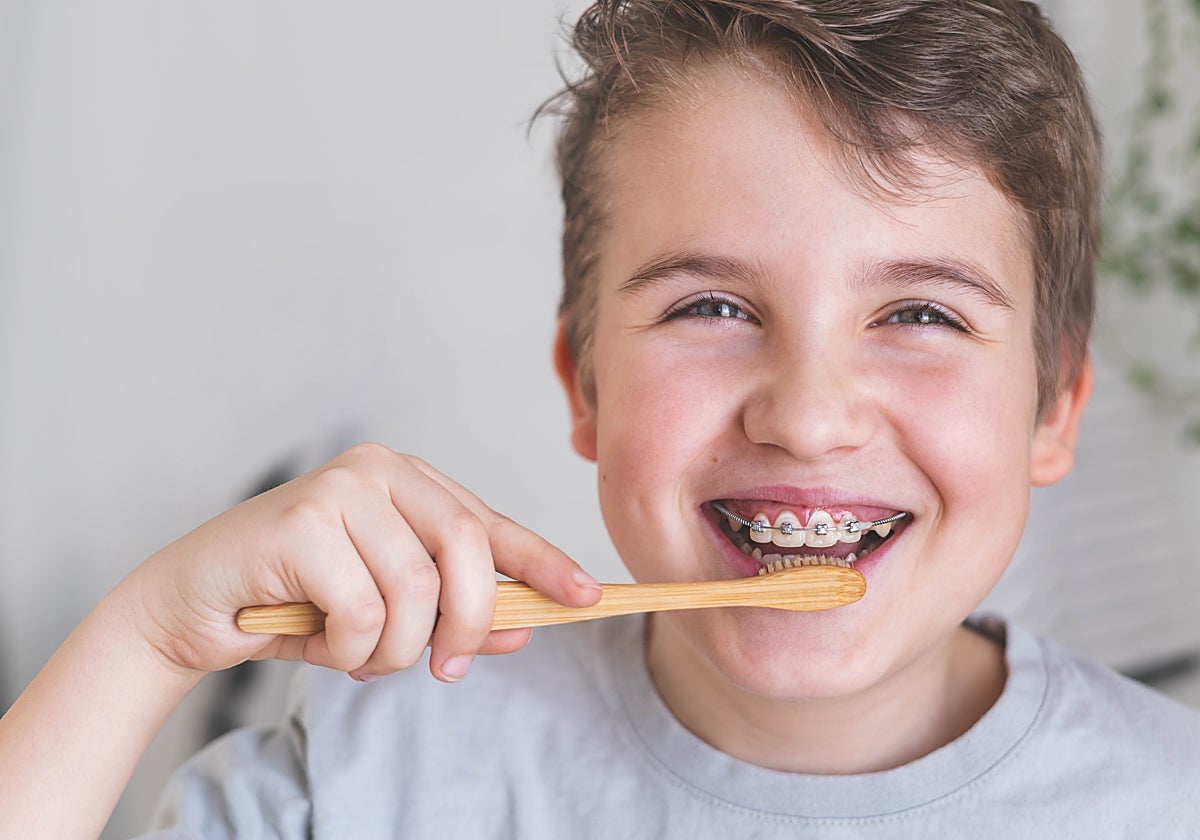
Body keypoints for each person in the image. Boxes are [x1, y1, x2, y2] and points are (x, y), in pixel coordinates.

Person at [3, 1, 1199, 836]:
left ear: (1054, 405)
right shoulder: (383, 772)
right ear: (585, 384)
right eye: (717, 303)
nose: (810, 416)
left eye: (923, 315)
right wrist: (145, 641)